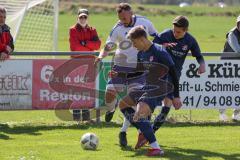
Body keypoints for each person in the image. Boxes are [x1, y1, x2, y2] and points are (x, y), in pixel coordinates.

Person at [94, 3, 158, 147]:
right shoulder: (117, 28)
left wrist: (161, 47)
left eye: (124, 17)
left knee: (133, 104)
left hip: (139, 70)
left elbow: (156, 36)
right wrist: (101, 56)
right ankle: (111, 108)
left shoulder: (145, 22)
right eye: (120, 18)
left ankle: (123, 131)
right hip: (120, 67)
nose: (122, 20)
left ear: (131, 13)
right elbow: (109, 45)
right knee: (109, 95)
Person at [112, 26, 182, 156]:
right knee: (123, 104)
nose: (134, 46)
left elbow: (174, 73)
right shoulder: (141, 53)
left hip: (159, 88)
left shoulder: (159, 51)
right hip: (147, 86)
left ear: (142, 39)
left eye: (134, 43)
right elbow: (138, 72)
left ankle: (156, 148)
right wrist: (120, 74)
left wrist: (176, 96)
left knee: (139, 114)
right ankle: (144, 130)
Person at [69, 8, 101, 121]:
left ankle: (86, 118)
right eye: (81, 17)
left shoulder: (93, 30)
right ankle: (77, 119)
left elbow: (98, 45)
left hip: (89, 63)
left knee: (87, 90)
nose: (83, 19)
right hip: (76, 63)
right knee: (76, 89)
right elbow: (75, 47)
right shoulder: (72, 30)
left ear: (88, 18)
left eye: (85, 17)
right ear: (77, 17)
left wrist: (85, 43)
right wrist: (89, 46)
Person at [219, 15, 240, 121]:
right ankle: (222, 113)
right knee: (226, 89)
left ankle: (236, 114)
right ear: (237, 23)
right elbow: (237, 50)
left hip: (238, 66)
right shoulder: (232, 34)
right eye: (239, 23)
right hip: (227, 66)